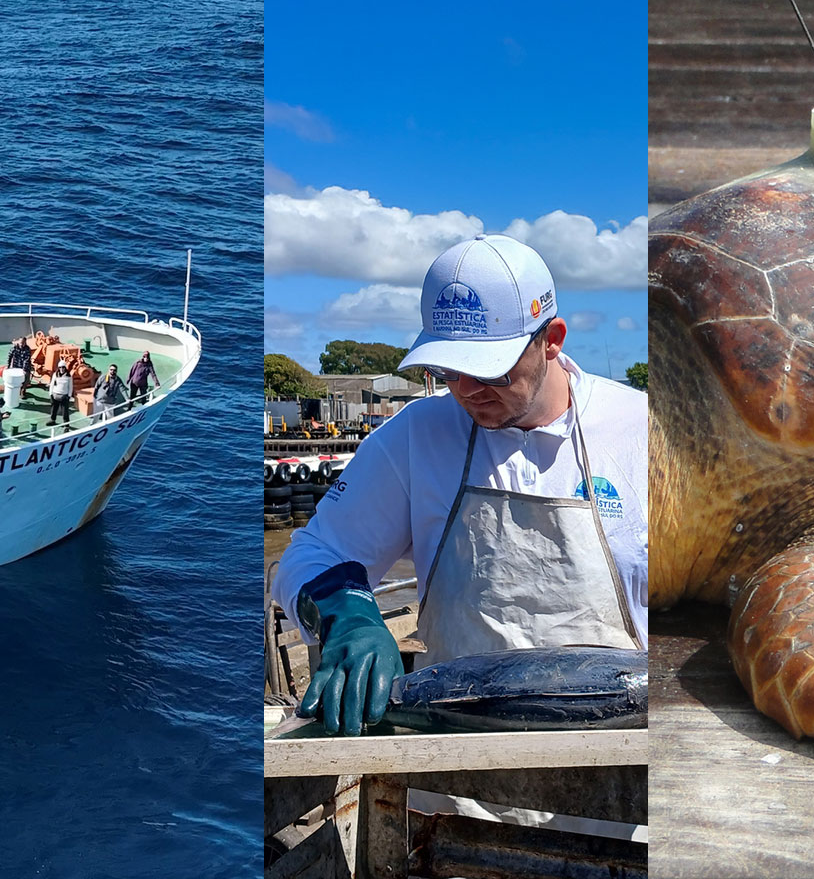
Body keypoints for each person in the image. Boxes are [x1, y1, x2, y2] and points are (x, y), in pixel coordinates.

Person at [273, 234, 649, 744]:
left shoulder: (641, 432)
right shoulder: (415, 436)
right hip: (455, 772)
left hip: (620, 761)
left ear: (552, 338)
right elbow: (313, 552)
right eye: (448, 370)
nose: (467, 390)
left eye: (489, 368)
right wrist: (347, 615)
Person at [47, 362, 73, 426]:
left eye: (63, 367)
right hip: (55, 394)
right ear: (58, 368)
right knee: (54, 409)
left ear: (65, 368)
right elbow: (52, 384)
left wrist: (69, 396)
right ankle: (52, 420)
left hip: (64, 396)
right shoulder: (55, 375)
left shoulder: (69, 376)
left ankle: (66, 424)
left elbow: (70, 387)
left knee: (65, 411)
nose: (62, 369)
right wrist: (51, 394)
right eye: (60, 367)